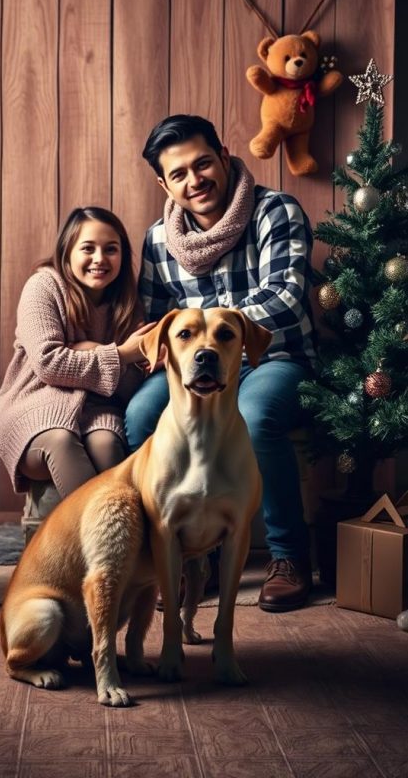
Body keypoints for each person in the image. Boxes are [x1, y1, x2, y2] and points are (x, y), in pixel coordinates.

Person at [125, 115, 316, 612]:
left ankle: (289, 557)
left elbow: (287, 300)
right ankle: (188, 562)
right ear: (163, 183)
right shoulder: (157, 241)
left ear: (224, 157)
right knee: (141, 416)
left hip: (275, 360)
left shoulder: (277, 211)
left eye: (203, 163)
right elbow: (155, 322)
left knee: (254, 418)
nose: (195, 180)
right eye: (180, 173)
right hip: (192, 373)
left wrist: (206, 331)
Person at [0, 206, 154, 501]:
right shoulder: (44, 286)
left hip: (97, 412)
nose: (99, 259)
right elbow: (49, 364)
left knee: (107, 444)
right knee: (61, 440)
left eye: (111, 249)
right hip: (36, 407)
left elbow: (132, 386)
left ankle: (124, 539)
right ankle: (92, 542)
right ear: (67, 251)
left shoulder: (128, 303)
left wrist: (89, 351)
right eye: (88, 248)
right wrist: (119, 355)